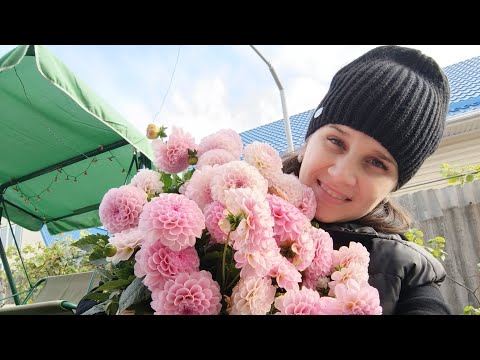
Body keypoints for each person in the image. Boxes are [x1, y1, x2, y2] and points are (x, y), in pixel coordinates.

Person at [283, 45, 452, 315]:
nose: (341, 174)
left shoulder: (406, 273)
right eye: (336, 141)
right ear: (307, 144)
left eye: (376, 162)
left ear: (392, 187)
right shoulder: (225, 211)